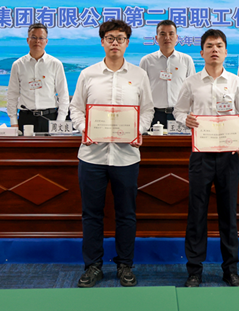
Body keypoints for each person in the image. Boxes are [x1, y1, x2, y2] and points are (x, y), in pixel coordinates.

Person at [69, 20, 154, 288]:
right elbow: (76, 109)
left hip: (126, 156)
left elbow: (148, 110)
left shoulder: (139, 75)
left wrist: (137, 130)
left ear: (127, 43)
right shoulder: (88, 74)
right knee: (91, 214)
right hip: (92, 155)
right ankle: (93, 266)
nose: (115, 42)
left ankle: (125, 265)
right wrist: (87, 129)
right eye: (110, 38)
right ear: (102, 42)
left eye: (120, 38)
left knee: (126, 214)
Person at [174, 29, 239, 288]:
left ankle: (230, 270)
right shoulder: (192, 82)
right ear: (202, 52)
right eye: (209, 46)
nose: (214, 50)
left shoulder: (236, 82)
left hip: (229, 155)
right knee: (196, 213)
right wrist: (185, 119)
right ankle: (194, 270)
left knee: (228, 214)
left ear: (226, 51)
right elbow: (178, 111)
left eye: (219, 45)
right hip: (201, 155)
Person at [6, 23, 69, 133]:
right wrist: (13, 121)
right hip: (26, 117)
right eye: (34, 37)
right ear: (28, 40)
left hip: (50, 118)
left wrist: (60, 122)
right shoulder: (18, 65)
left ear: (46, 41)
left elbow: (63, 95)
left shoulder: (55, 64)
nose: (37, 41)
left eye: (41, 38)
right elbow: (12, 94)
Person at [139, 20, 195, 128]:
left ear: (176, 37)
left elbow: (192, 90)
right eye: (163, 34)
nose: (167, 37)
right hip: (154, 115)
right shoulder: (147, 61)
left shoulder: (186, 60)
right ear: (156, 38)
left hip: (180, 115)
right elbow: (141, 90)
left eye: (171, 34)